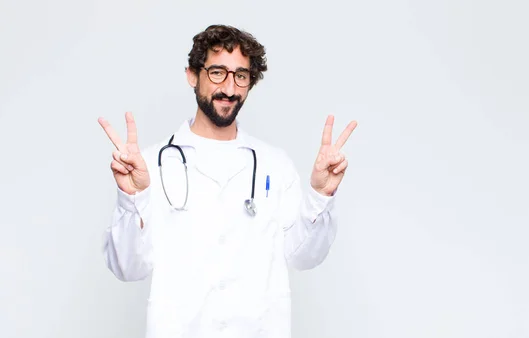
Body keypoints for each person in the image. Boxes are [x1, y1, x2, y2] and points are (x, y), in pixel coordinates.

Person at [98, 24, 357, 338]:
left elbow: (304, 257)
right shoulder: (151, 164)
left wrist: (320, 194)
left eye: (241, 76)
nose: (230, 89)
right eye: (217, 72)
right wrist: (133, 199)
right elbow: (128, 268)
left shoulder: (274, 164)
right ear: (193, 75)